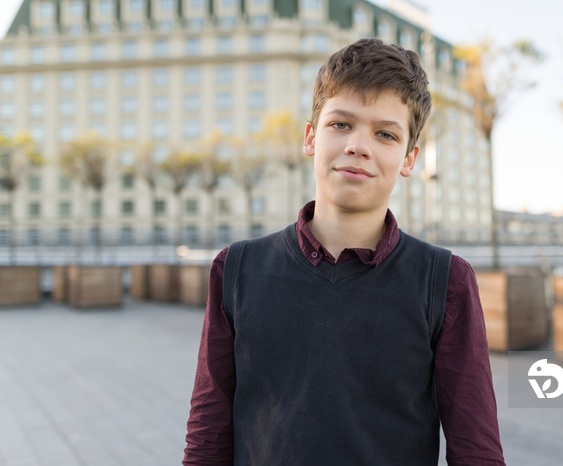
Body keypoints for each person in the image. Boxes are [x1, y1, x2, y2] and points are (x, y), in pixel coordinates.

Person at [183, 38, 505, 466]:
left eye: (385, 134)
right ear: (311, 137)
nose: (358, 145)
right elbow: (208, 431)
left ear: (409, 159)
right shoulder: (237, 269)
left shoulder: (445, 281)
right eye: (340, 124)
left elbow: (475, 447)